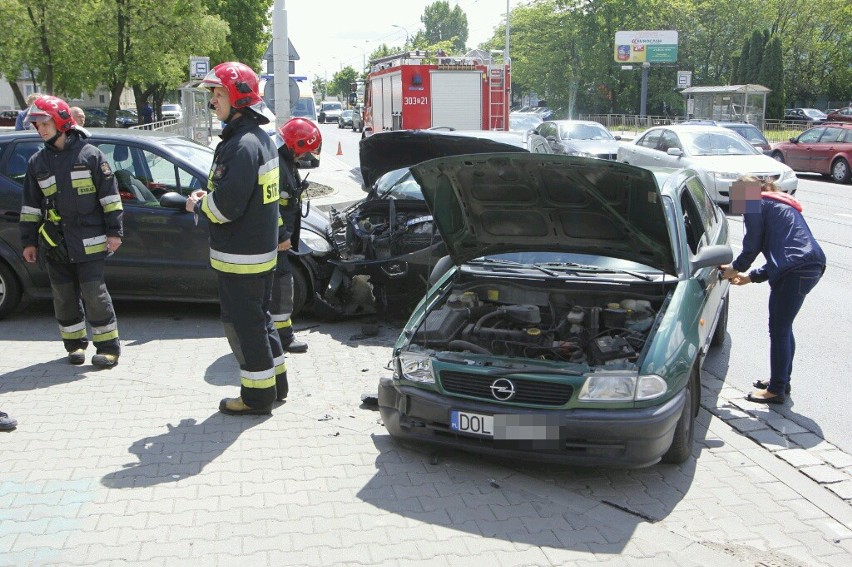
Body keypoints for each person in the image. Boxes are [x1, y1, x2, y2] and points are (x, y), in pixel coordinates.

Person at [185, 62, 286, 416]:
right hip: (259, 253)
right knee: (261, 319)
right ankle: (278, 385)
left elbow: (226, 207)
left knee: (246, 327)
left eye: (218, 93)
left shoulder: (241, 146)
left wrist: (199, 204)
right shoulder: (260, 140)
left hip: (240, 257)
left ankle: (257, 398)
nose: (213, 101)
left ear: (238, 96)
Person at [19, 95, 124, 367]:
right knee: (63, 296)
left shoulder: (91, 156)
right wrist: (28, 242)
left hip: (89, 241)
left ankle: (108, 348)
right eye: (37, 124)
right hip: (55, 243)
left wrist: (115, 233)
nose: (40, 129)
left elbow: (111, 200)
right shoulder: (37, 162)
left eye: (44, 123)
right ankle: (75, 346)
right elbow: (30, 206)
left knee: (94, 294)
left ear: (60, 121)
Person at [720, 177, 826, 404]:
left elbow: (752, 246)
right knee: (784, 328)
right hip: (809, 266)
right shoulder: (778, 203)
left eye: (735, 194)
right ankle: (782, 380)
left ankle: (776, 389)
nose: (734, 201)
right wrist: (750, 277)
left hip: (795, 270)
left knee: (778, 329)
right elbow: (784, 254)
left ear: (743, 193)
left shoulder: (755, 204)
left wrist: (733, 269)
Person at [272, 118, 322, 354]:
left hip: (279, 239)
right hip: (276, 241)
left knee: (280, 284)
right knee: (281, 285)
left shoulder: (284, 161)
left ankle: (279, 335)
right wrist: (282, 235)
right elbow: (270, 205)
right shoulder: (278, 166)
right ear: (296, 145)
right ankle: (282, 337)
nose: (307, 157)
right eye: (306, 151)